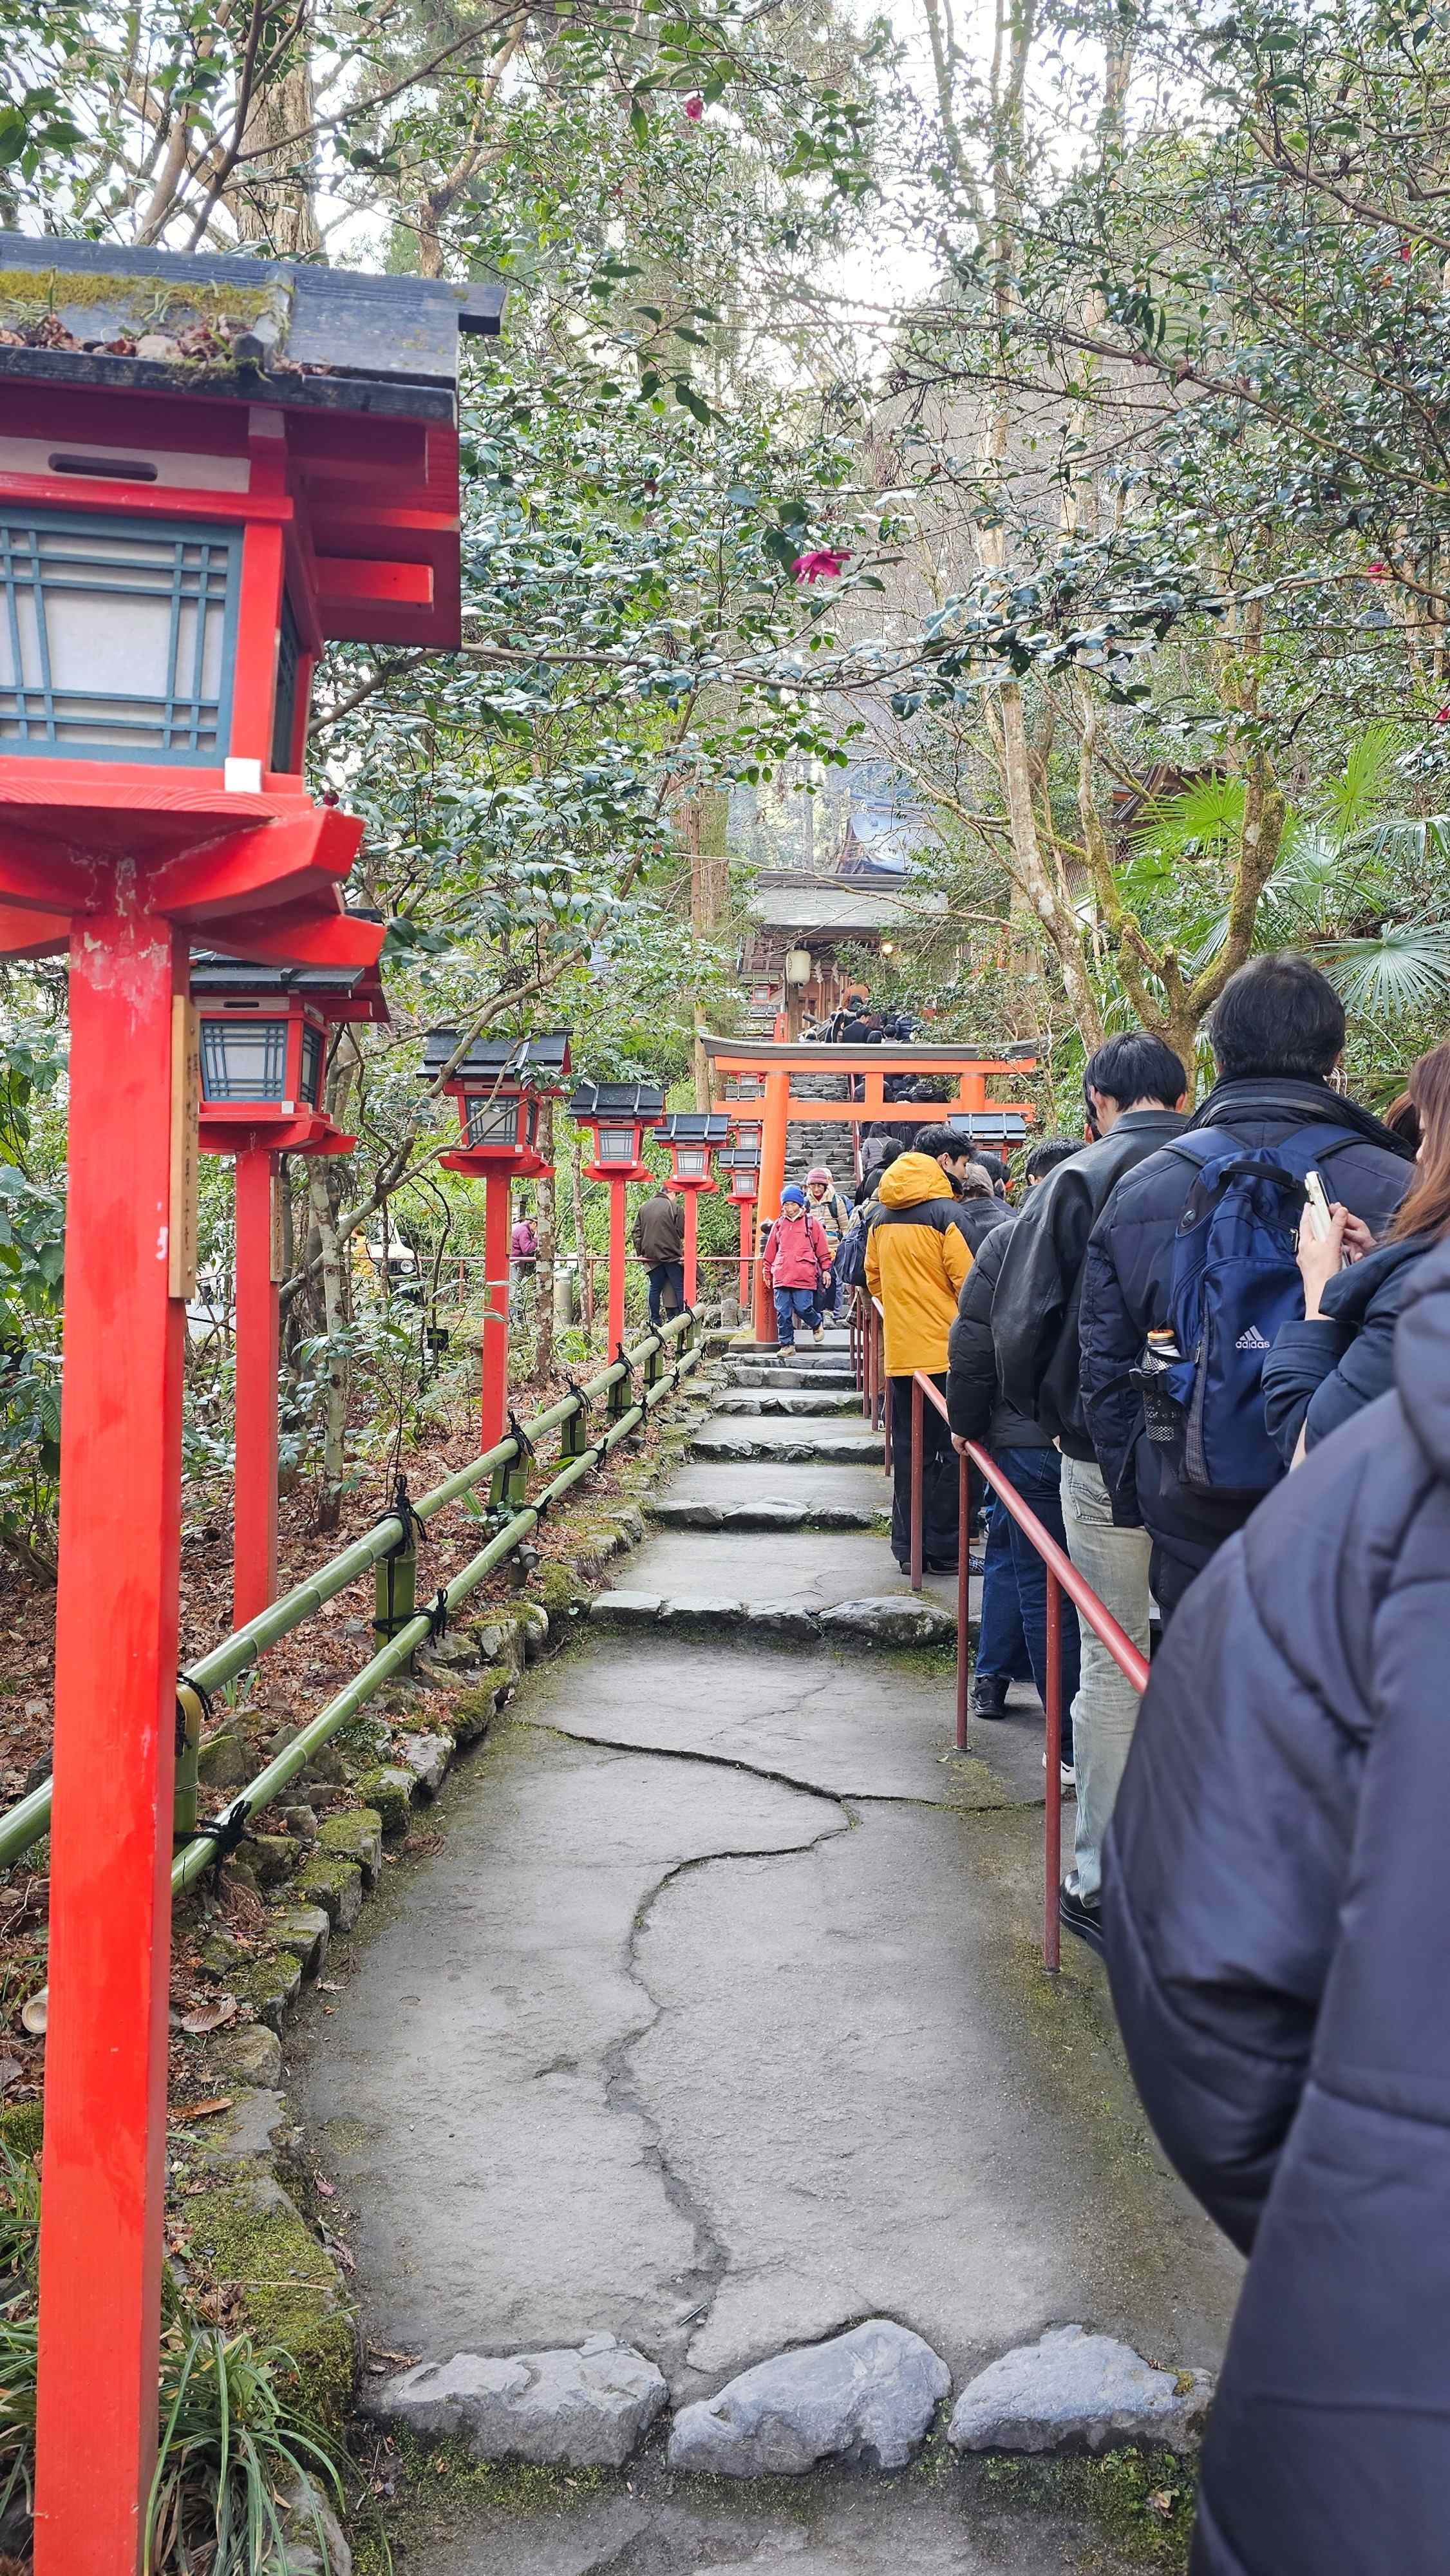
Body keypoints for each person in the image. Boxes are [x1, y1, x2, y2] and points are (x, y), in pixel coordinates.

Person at [1101, 1231, 1450, 2576]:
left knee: (1109, 1686)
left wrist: (1346, 2212)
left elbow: (1203, 1966)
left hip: (1384, 2430)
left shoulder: (1375, 1494)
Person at [1078, 954, 1414, 1628]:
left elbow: (1107, 1367)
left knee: (1199, 1711)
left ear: (1216, 1051)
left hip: (1192, 1516)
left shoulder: (1144, 1187)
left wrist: (1135, 1495)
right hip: (1358, 1522)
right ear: (1333, 1053)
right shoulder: (1401, 1189)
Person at [992, 1031, 1189, 1949]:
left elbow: (1022, 1320)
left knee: (1112, 1656)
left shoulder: (1076, 1177)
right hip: (1229, 1457)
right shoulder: (1227, 1162)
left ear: (1100, 1099)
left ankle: (1099, 1876)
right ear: (1182, 1089)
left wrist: (1055, 1415)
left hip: (1102, 1453)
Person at [946, 1137, 1083, 1752]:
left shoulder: (1009, 1241)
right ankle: (1076, 1725)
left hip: (1021, 1433)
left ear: (1029, 1181)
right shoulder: (1115, 1222)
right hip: (1099, 1432)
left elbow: (974, 1342)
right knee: (1083, 1582)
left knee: (1030, 1570)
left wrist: (967, 1422)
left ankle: (1058, 1729)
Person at [1262, 1036, 1450, 1466]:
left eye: (1427, 1135)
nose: (1419, 1156)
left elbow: (1313, 1458)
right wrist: (1380, 1272)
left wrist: (1321, 1299)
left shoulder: (1427, 1289)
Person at [865, 1145, 971, 1571]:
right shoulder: (948, 1215)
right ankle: (944, 1549)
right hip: (946, 1356)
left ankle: (908, 1550)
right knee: (954, 1452)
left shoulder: (879, 1220)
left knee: (910, 1453)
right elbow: (970, 1283)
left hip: (902, 1356)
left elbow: (872, 1278)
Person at [761, 1184, 833, 1350]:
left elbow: (822, 1248)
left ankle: (816, 1322)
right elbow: (770, 1250)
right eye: (786, 1205)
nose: (790, 1208)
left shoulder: (811, 1223)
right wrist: (767, 1270)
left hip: (804, 1273)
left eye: (793, 1204)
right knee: (783, 1312)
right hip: (782, 1273)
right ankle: (787, 1345)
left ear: (800, 1204)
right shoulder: (778, 1225)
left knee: (803, 1308)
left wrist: (826, 1269)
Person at [632, 1185, 686, 1328]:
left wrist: (642, 1252)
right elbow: (681, 1232)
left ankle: (655, 1320)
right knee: (679, 1286)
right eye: (677, 1195)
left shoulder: (644, 1207)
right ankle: (684, 1317)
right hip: (671, 1254)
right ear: (672, 1193)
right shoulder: (675, 1208)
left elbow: (636, 1232)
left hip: (651, 1255)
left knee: (655, 1287)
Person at [804, 1166, 854, 1318]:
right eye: (814, 1185)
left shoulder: (835, 1201)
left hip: (833, 1246)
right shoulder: (805, 1202)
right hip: (811, 1247)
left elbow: (845, 1226)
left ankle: (831, 1313)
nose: (817, 1189)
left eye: (820, 1185)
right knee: (813, 1280)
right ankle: (816, 1312)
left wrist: (845, 1247)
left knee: (832, 1280)